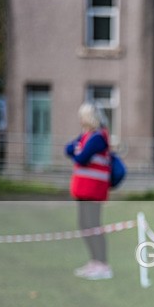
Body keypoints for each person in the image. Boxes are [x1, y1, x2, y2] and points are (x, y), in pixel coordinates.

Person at [64, 103, 113, 280]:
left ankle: (103, 264)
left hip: (94, 190)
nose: (80, 120)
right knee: (84, 225)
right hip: (83, 190)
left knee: (93, 225)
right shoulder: (86, 136)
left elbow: (82, 157)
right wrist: (78, 149)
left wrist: (78, 150)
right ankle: (94, 261)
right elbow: (68, 148)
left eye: (82, 116)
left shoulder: (98, 137)